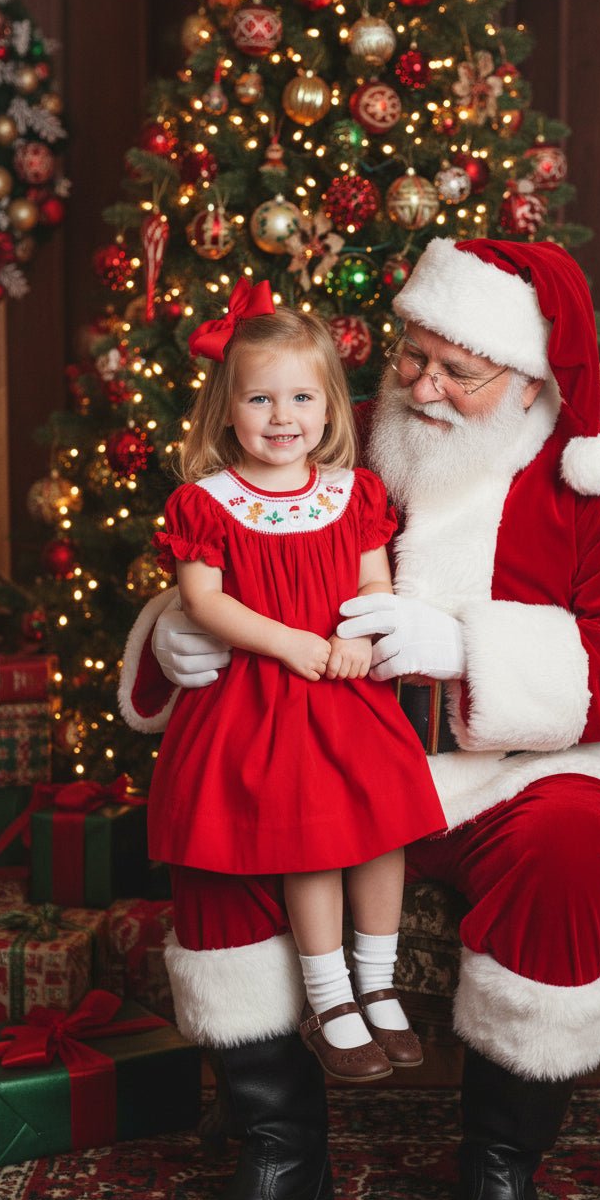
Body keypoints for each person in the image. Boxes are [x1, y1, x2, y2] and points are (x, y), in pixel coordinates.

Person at [120, 240, 600, 1200]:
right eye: (411, 356)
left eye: (454, 370)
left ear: (526, 378)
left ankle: (500, 1174)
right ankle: (283, 1162)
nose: (421, 387)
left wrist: (469, 651)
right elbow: (240, 559)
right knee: (218, 851)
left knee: (566, 849)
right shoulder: (342, 441)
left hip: (515, 768)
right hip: (329, 748)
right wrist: (174, 633)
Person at [147, 276, 446, 1106]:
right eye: (260, 399)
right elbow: (204, 600)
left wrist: (354, 634)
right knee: (310, 839)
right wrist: (292, 644)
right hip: (262, 697)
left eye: (302, 397)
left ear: (329, 408)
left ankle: (377, 983)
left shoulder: (352, 494)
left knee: (381, 828)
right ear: (228, 410)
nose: (283, 417)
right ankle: (329, 997)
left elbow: (374, 579)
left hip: (345, 692)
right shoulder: (208, 502)